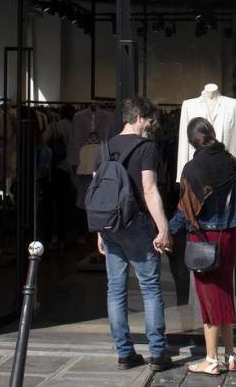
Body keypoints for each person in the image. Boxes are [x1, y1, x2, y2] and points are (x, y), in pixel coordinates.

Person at [96, 97, 174, 371]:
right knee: (150, 288)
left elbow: (100, 194)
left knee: (115, 290)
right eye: (150, 121)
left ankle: (124, 354)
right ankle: (158, 353)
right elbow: (149, 189)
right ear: (139, 117)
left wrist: (100, 233)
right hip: (137, 225)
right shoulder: (146, 148)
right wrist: (163, 227)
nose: (152, 126)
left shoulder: (105, 148)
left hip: (110, 226)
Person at [170, 117, 236, 375]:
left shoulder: (192, 168)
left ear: (192, 141)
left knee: (209, 299)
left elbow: (185, 209)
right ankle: (231, 355)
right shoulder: (232, 162)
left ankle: (211, 360)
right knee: (224, 292)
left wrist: (167, 232)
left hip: (204, 239)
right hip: (229, 235)